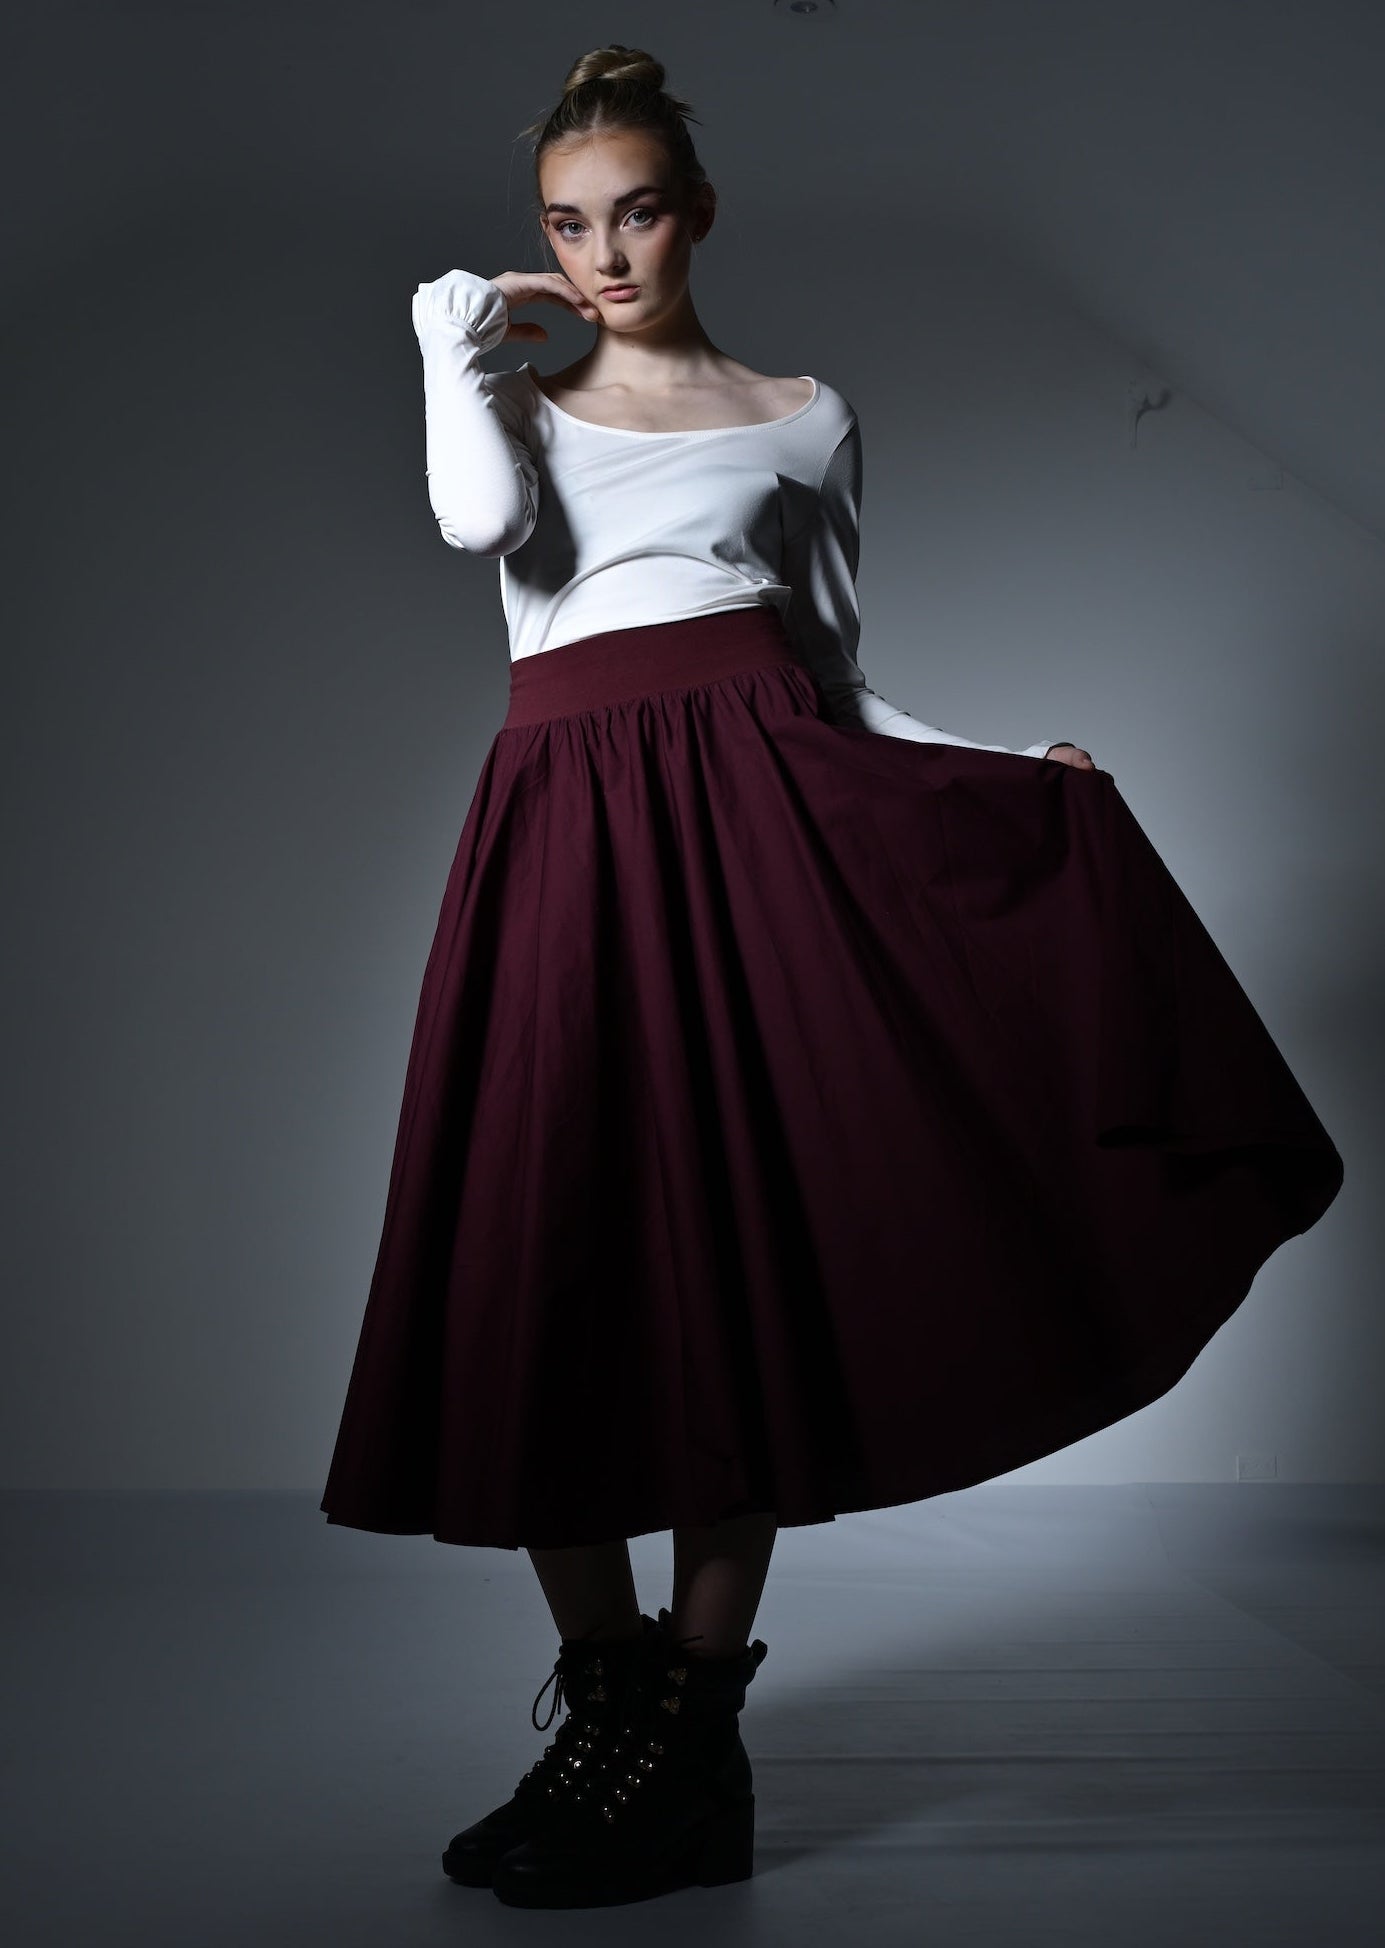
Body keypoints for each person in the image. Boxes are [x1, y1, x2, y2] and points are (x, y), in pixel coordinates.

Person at [319, 42, 1344, 1912]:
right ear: (534, 241)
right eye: (567, 223)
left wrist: (991, 775)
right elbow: (478, 532)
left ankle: (690, 1733)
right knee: (547, 1250)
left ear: (694, 212)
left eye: (633, 211)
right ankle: (609, 1706)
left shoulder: (802, 418)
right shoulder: (512, 405)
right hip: (564, 839)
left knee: (737, 1258)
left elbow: (835, 678)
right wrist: (443, 324)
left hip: (756, 836)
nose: (604, 252)